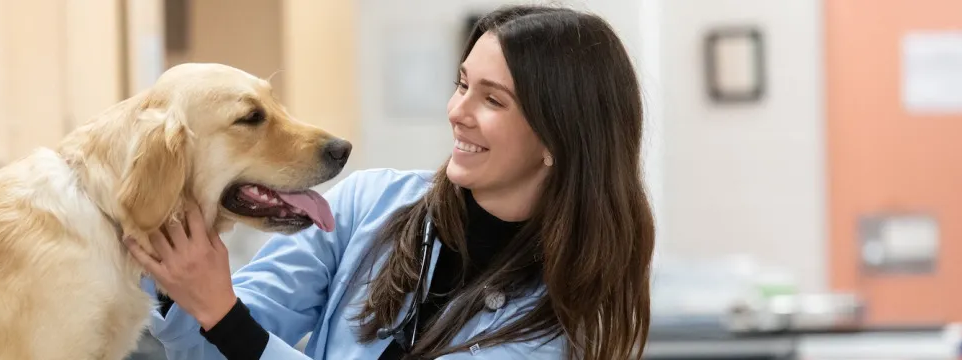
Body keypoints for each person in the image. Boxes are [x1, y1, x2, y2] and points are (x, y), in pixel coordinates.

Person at [125, 4, 654, 359]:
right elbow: (214, 343)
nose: (457, 112)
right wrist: (180, 285)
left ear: (557, 140)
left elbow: (229, 324)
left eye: (492, 100)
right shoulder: (367, 202)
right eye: (462, 84)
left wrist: (220, 310)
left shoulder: (559, 324)